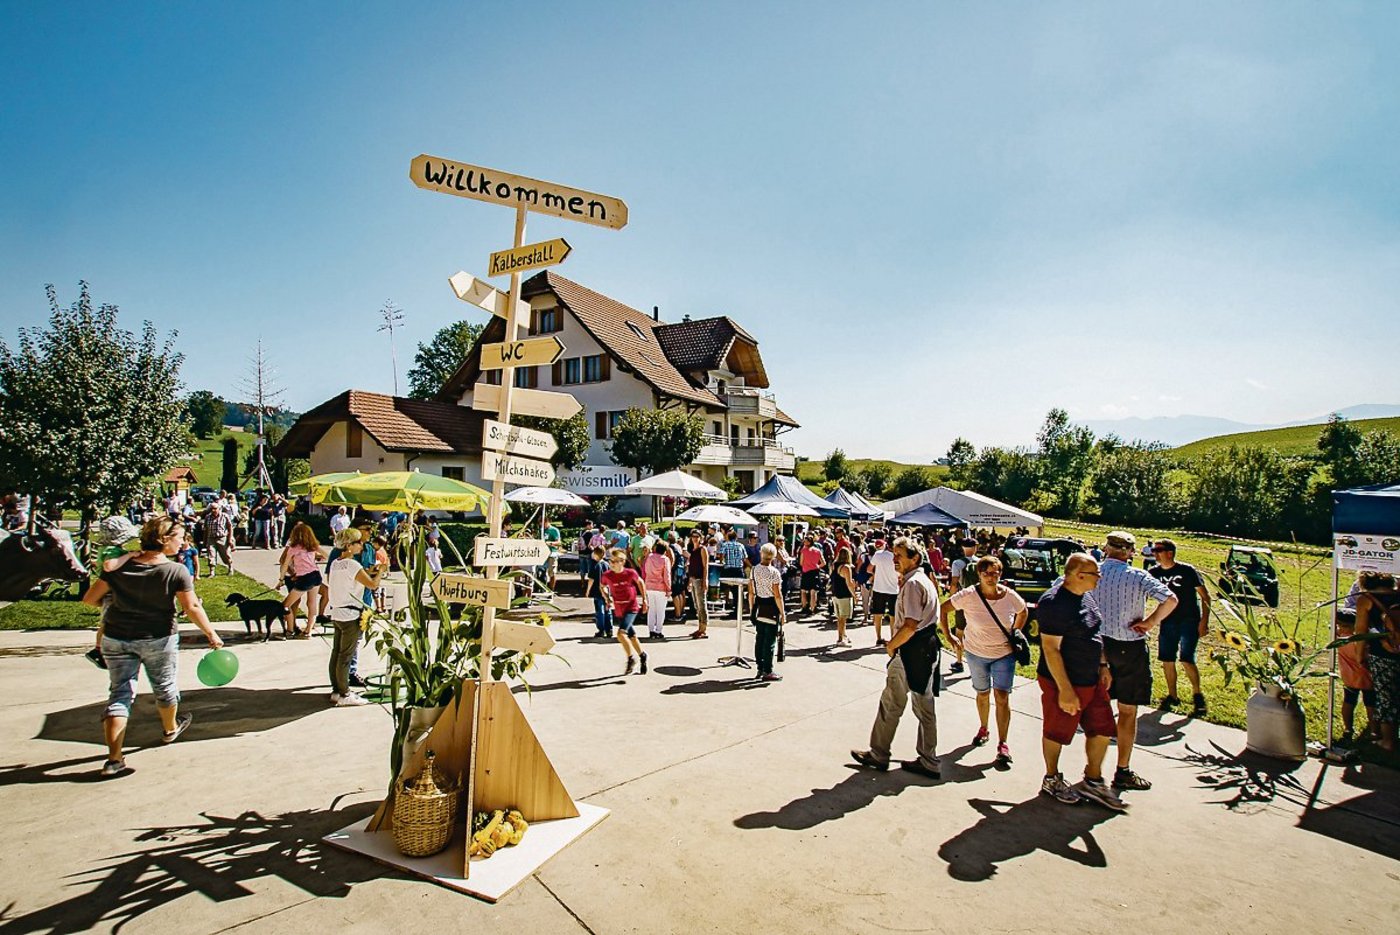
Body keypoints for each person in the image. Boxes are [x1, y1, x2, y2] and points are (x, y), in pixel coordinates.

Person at [80, 516, 224, 778]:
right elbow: (191, 607)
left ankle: (114, 759)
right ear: (164, 539)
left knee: (120, 694)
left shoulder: (118, 567)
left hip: (116, 637)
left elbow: (90, 599)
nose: (183, 542)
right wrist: (211, 634)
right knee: (165, 686)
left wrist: (120, 605)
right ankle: (170, 730)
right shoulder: (175, 571)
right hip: (158, 638)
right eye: (180, 537)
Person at [1035, 553, 1124, 810]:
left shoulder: (1086, 596)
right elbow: (1050, 649)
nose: (1100, 577)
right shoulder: (1054, 604)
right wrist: (1065, 690)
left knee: (1103, 729)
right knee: (1057, 731)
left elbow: (1097, 632)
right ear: (1078, 575)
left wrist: (1103, 664)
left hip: (1091, 679)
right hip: (1063, 682)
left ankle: (1093, 780)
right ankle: (1051, 778)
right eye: (1096, 573)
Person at [1092, 531, 1178, 792]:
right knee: (1128, 711)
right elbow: (1171, 599)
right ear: (1130, 552)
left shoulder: (1092, 571)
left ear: (1106, 549)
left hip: (1096, 644)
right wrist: (1150, 622)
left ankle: (1092, 772)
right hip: (1129, 645)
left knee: (1098, 709)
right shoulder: (1138, 576)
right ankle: (1123, 769)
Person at [850, 537, 942, 778]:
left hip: (911, 649)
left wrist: (891, 646)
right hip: (925, 647)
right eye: (894, 555)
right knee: (924, 705)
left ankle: (881, 754)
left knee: (893, 703)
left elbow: (910, 625)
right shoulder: (922, 580)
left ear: (915, 558)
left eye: (899, 556)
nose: (894, 560)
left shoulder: (913, 584)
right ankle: (927, 759)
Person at [940, 555, 1027, 770]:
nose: (991, 577)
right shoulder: (969, 595)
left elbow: (1023, 610)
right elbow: (943, 608)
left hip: (1003, 654)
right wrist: (949, 636)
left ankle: (1003, 743)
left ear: (1000, 574)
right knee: (982, 693)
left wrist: (1016, 631)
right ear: (979, 574)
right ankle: (984, 728)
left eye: (995, 573)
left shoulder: (1009, 596)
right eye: (986, 573)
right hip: (976, 653)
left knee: (1002, 696)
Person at [1147, 539, 1211, 716]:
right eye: (1154, 550)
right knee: (1167, 659)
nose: (1155, 554)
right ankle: (1172, 696)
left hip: (1189, 620)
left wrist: (1204, 621)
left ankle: (1197, 695)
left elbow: (1205, 597)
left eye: (1159, 550)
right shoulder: (1153, 573)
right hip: (1167, 621)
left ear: (1170, 552)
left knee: (1186, 659)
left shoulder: (1187, 571)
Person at [324, 528, 382, 706]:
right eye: (358, 543)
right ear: (349, 545)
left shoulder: (336, 563)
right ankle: (345, 692)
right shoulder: (352, 565)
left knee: (337, 653)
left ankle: (336, 689)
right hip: (350, 614)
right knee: (346, 656)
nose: (361, 545)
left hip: (338, 612)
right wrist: (380, 571)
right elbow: (372, 584)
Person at [1356, 573, 1400, 752]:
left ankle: (1387, 741)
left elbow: (1361, 631)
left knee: (1386, 695)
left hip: (1382, 653)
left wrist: (1360, 656)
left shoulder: (1366, 599)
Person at [1336, 578, 1376, 744]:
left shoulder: (1339, 640)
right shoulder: (1360, 641)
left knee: (1348, 702)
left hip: (1348, 678)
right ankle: (1374, 730)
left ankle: (1348, 728)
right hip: (1366, 678)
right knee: (1371, 704)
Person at [600, 548, 648, 674]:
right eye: (610, 560)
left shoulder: (630, 573)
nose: (611, 563)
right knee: (631, 636)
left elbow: (640, 582)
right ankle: (643, 655)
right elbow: (602, 586)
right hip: (619, 608)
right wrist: (607, 597)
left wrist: (645, 599)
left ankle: (631, 658)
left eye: (614, 561)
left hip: (631, 607)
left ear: (622, 562)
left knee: (621, 634)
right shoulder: (607, 575)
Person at [281, 522, 328, 637]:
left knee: (285, 605)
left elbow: (285, 564)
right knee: (311, 603)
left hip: (304, 578)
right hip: (316, 575)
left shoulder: (293, 548)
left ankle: (290, 630)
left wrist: (281, 579)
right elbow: (327, 555)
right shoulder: (313, 546)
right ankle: (308, 631)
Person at [749, 543, 787, 681]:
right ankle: (768, 669)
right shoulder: (774, 572)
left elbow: (751, 592)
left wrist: (752, 608)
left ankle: (759, 666)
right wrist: (783, 613)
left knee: (759, 638)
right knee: (770, 640)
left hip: (759, 605)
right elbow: (778, 595)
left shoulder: (754, 570)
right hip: (771, 607)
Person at [946, 538, 979, 674]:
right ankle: (977, 663)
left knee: (959, 632)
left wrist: (952, 598)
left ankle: (959, 661)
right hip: (978, 600)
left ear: (962, 548)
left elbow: (954, 583)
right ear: (975, 547)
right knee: (977, 632)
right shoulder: (981, 562)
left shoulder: (957, 563)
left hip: (963, 600)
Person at [868, 538, 899, 647]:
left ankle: (879, 637)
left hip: (879, 588)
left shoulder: (878, 554)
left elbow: (869, 569)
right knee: (893, 615)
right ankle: (893, 637)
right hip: (893, 589)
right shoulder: (897, 557)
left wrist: (877, 573)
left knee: (878, 614)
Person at [642, 539, 673, 639]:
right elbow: (667, 575)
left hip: (649, 586)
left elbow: (645, 570)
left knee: (651, 609)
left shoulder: (649, 557)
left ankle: (651, 630)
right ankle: (658, 630)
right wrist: (668, 588)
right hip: (661, 587)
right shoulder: (665, 559)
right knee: (661, 610)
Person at [686, 528, 710, 639]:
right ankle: (700, 627)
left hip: (700, 579)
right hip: (694, 579)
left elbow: (705, 566)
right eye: (693, 536)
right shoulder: (692, 550)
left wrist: (705, 580)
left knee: (701, 604)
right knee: (696, 604)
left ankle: (703, 628)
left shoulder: (702, 549)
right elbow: (691, 567)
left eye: (697, 536)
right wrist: (690, 581)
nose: (695, 538)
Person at [830, 546, 856, 647]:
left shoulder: (834, 565)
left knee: (839, 617)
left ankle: (843, 635)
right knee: (843, 618)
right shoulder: (846, 567)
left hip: (836, 593)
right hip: (844, 594)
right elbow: (849, 583)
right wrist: (854, 595)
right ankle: (841, 639)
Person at [584, 545, 613, 638]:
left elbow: (591, 579)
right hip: (607, 590)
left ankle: (601, 629)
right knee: (608, 609)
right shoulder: (607, 564)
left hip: (597, 591)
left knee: (599, 611)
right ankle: (609, 629)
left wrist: (587, 591)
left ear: (595, 554)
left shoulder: (594, 565)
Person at [717, 527, 747, 610]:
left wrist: (721, 561)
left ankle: (728, 603)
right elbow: (745, 558)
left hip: (729, 569)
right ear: (736, 538)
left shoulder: (725, 545)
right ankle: (738, 607)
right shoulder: (741, 545)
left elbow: (721, 556)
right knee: (738, 590)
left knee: (727, 587)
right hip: (738, 569)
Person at [797, 534, 824, 616]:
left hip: (806, 572)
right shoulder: (817, 550)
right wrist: (816, 566)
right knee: (813, 591)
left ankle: (804, 607)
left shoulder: (803, 551)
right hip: (815, 572)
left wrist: (806, 565)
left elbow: (801, 562)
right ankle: (812, 609)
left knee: (803, 591)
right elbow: (823, 562)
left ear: (808, 542)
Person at [542, 516, 561, 590]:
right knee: (542, 571)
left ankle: (551, 590)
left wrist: (550, 543)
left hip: (552, 553)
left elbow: (558, 542)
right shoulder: (541, 530)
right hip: (543, 554)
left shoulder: (554, 530)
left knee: (552, 572)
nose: (543, 524)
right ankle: (542, 588)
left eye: (544, 522)